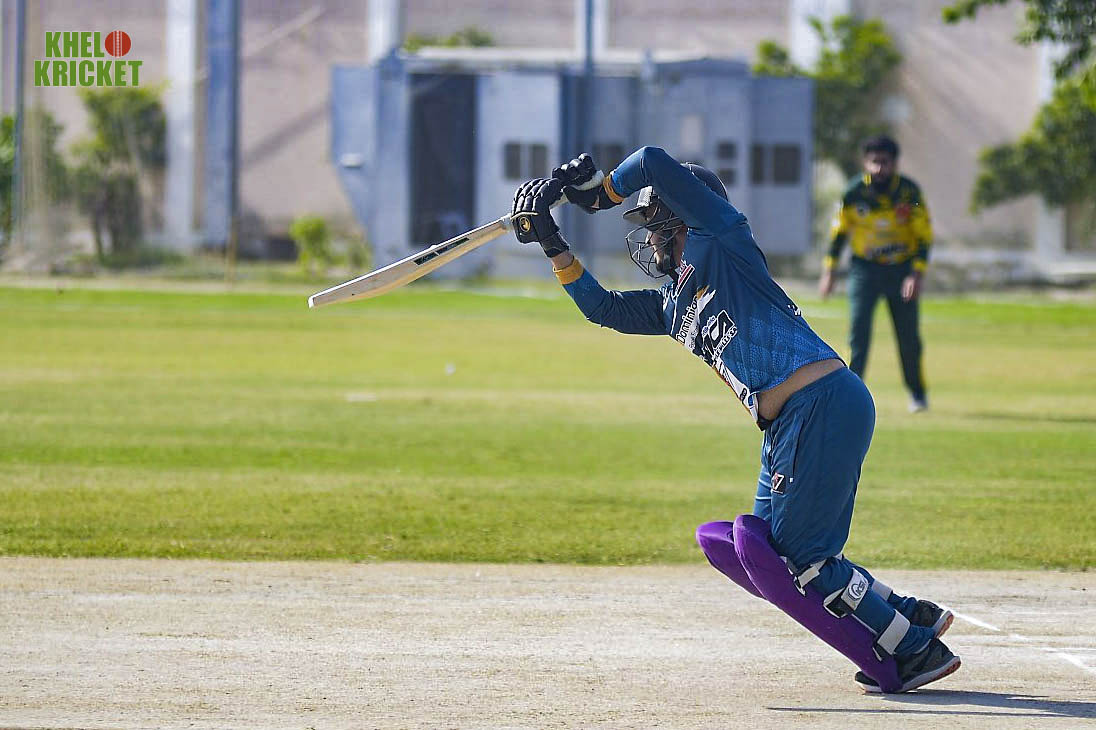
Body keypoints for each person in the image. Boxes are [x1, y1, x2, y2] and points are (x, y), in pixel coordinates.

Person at [510, 147, 960, 693]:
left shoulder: (722, 238)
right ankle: (908, 613)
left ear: (681, 216)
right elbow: (602, 309)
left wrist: (597, 195)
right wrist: (553, 244)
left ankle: (915, 648)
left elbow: (650, 161)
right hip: (789, 424)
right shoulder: (672, 304)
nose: (650, 239)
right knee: (775, 551)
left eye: (655, 223)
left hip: (818, 404)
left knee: (803, 561)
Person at [819, 136, 933, 413]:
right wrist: (830, 271)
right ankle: (852, 395)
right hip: (865, 271)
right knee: (858, 335)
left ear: (895, 163)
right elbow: (839, 233)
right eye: (874, 162)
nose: (880, 168)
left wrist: (915, 275)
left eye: (885, 162)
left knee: (908, 338)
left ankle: (917, 394)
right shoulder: (854, 193)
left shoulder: (909, 193)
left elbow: (924, 236)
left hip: (901, 270)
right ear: (865, 163)